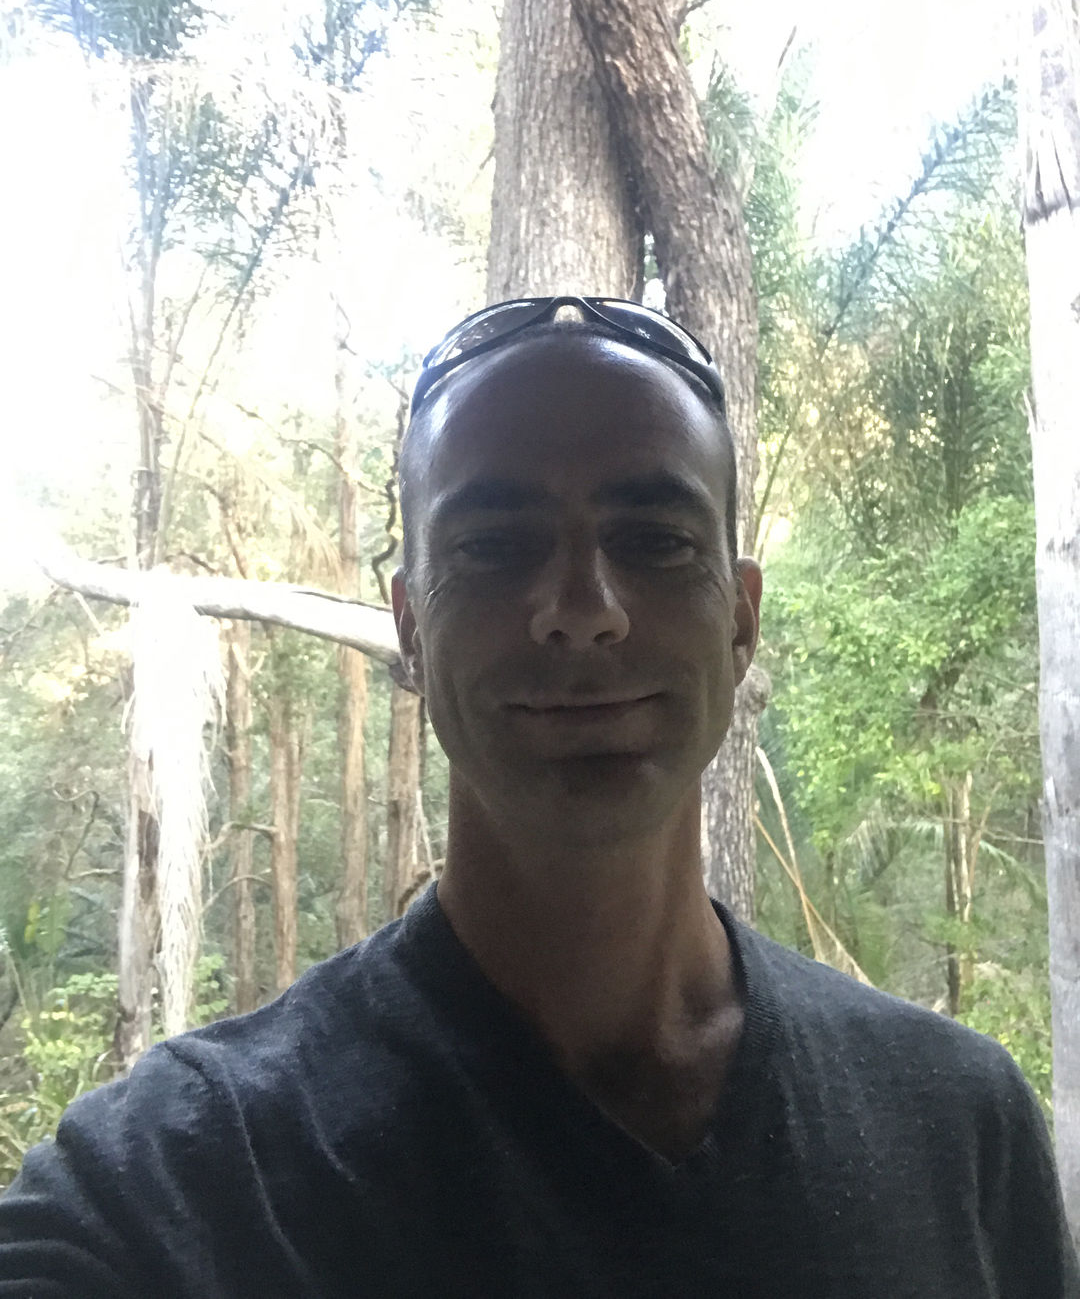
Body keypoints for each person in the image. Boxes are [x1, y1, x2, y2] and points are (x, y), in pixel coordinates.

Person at [0, 295, 1075, 1298]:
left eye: (655, 542)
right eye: (495, 546)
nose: (583, 608)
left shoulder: (958, 1131)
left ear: (742, 617)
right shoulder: (187, 1182)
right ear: (411, 627)